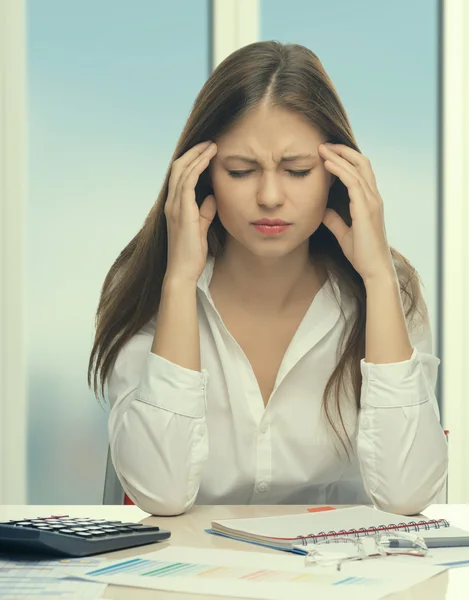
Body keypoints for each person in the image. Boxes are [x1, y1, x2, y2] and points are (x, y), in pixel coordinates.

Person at [88, 41, 448, 517]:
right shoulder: (149, 287)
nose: (270, 196)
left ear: (337, 176)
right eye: (241, 171)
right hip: (193, 585)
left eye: (297, 171)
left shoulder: (387, 291)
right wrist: (178, 282)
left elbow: (409, 495)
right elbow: (162, 492)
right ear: (202, 176)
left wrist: (378, 277)